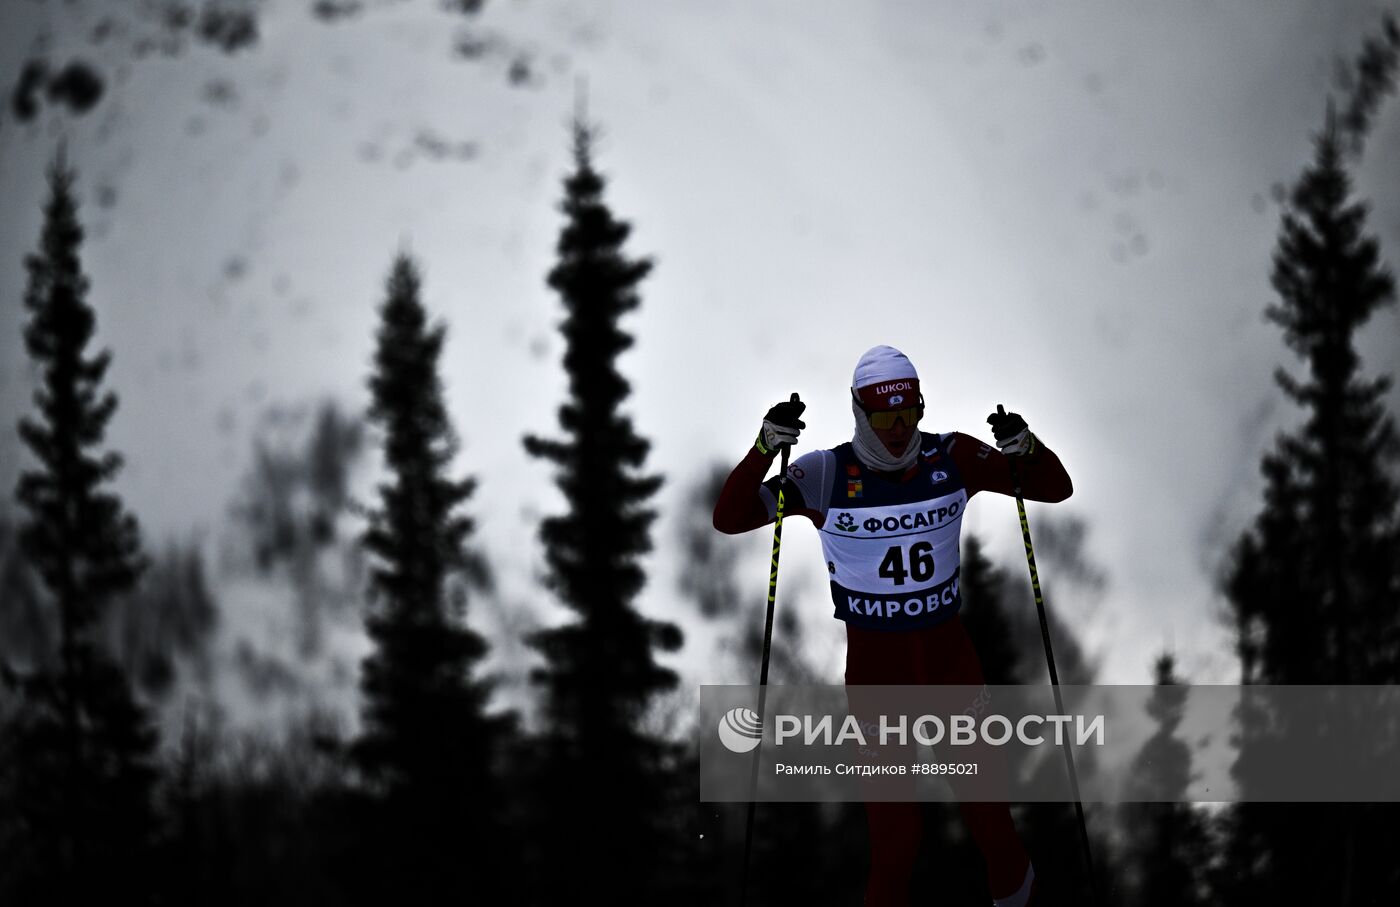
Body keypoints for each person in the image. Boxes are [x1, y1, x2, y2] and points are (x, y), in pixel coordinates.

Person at [713, 344, 1072, 907]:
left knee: (992, 826)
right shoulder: (826, 474)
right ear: (860, 413)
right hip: (878, 685)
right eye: (885, 418)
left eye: (909, 413)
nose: (900, 430)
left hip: (952, 671)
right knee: (896, 845)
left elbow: (1054, 487)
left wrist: (1026, 447)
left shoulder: (955, 456)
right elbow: (730, 517)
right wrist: (764, 449)